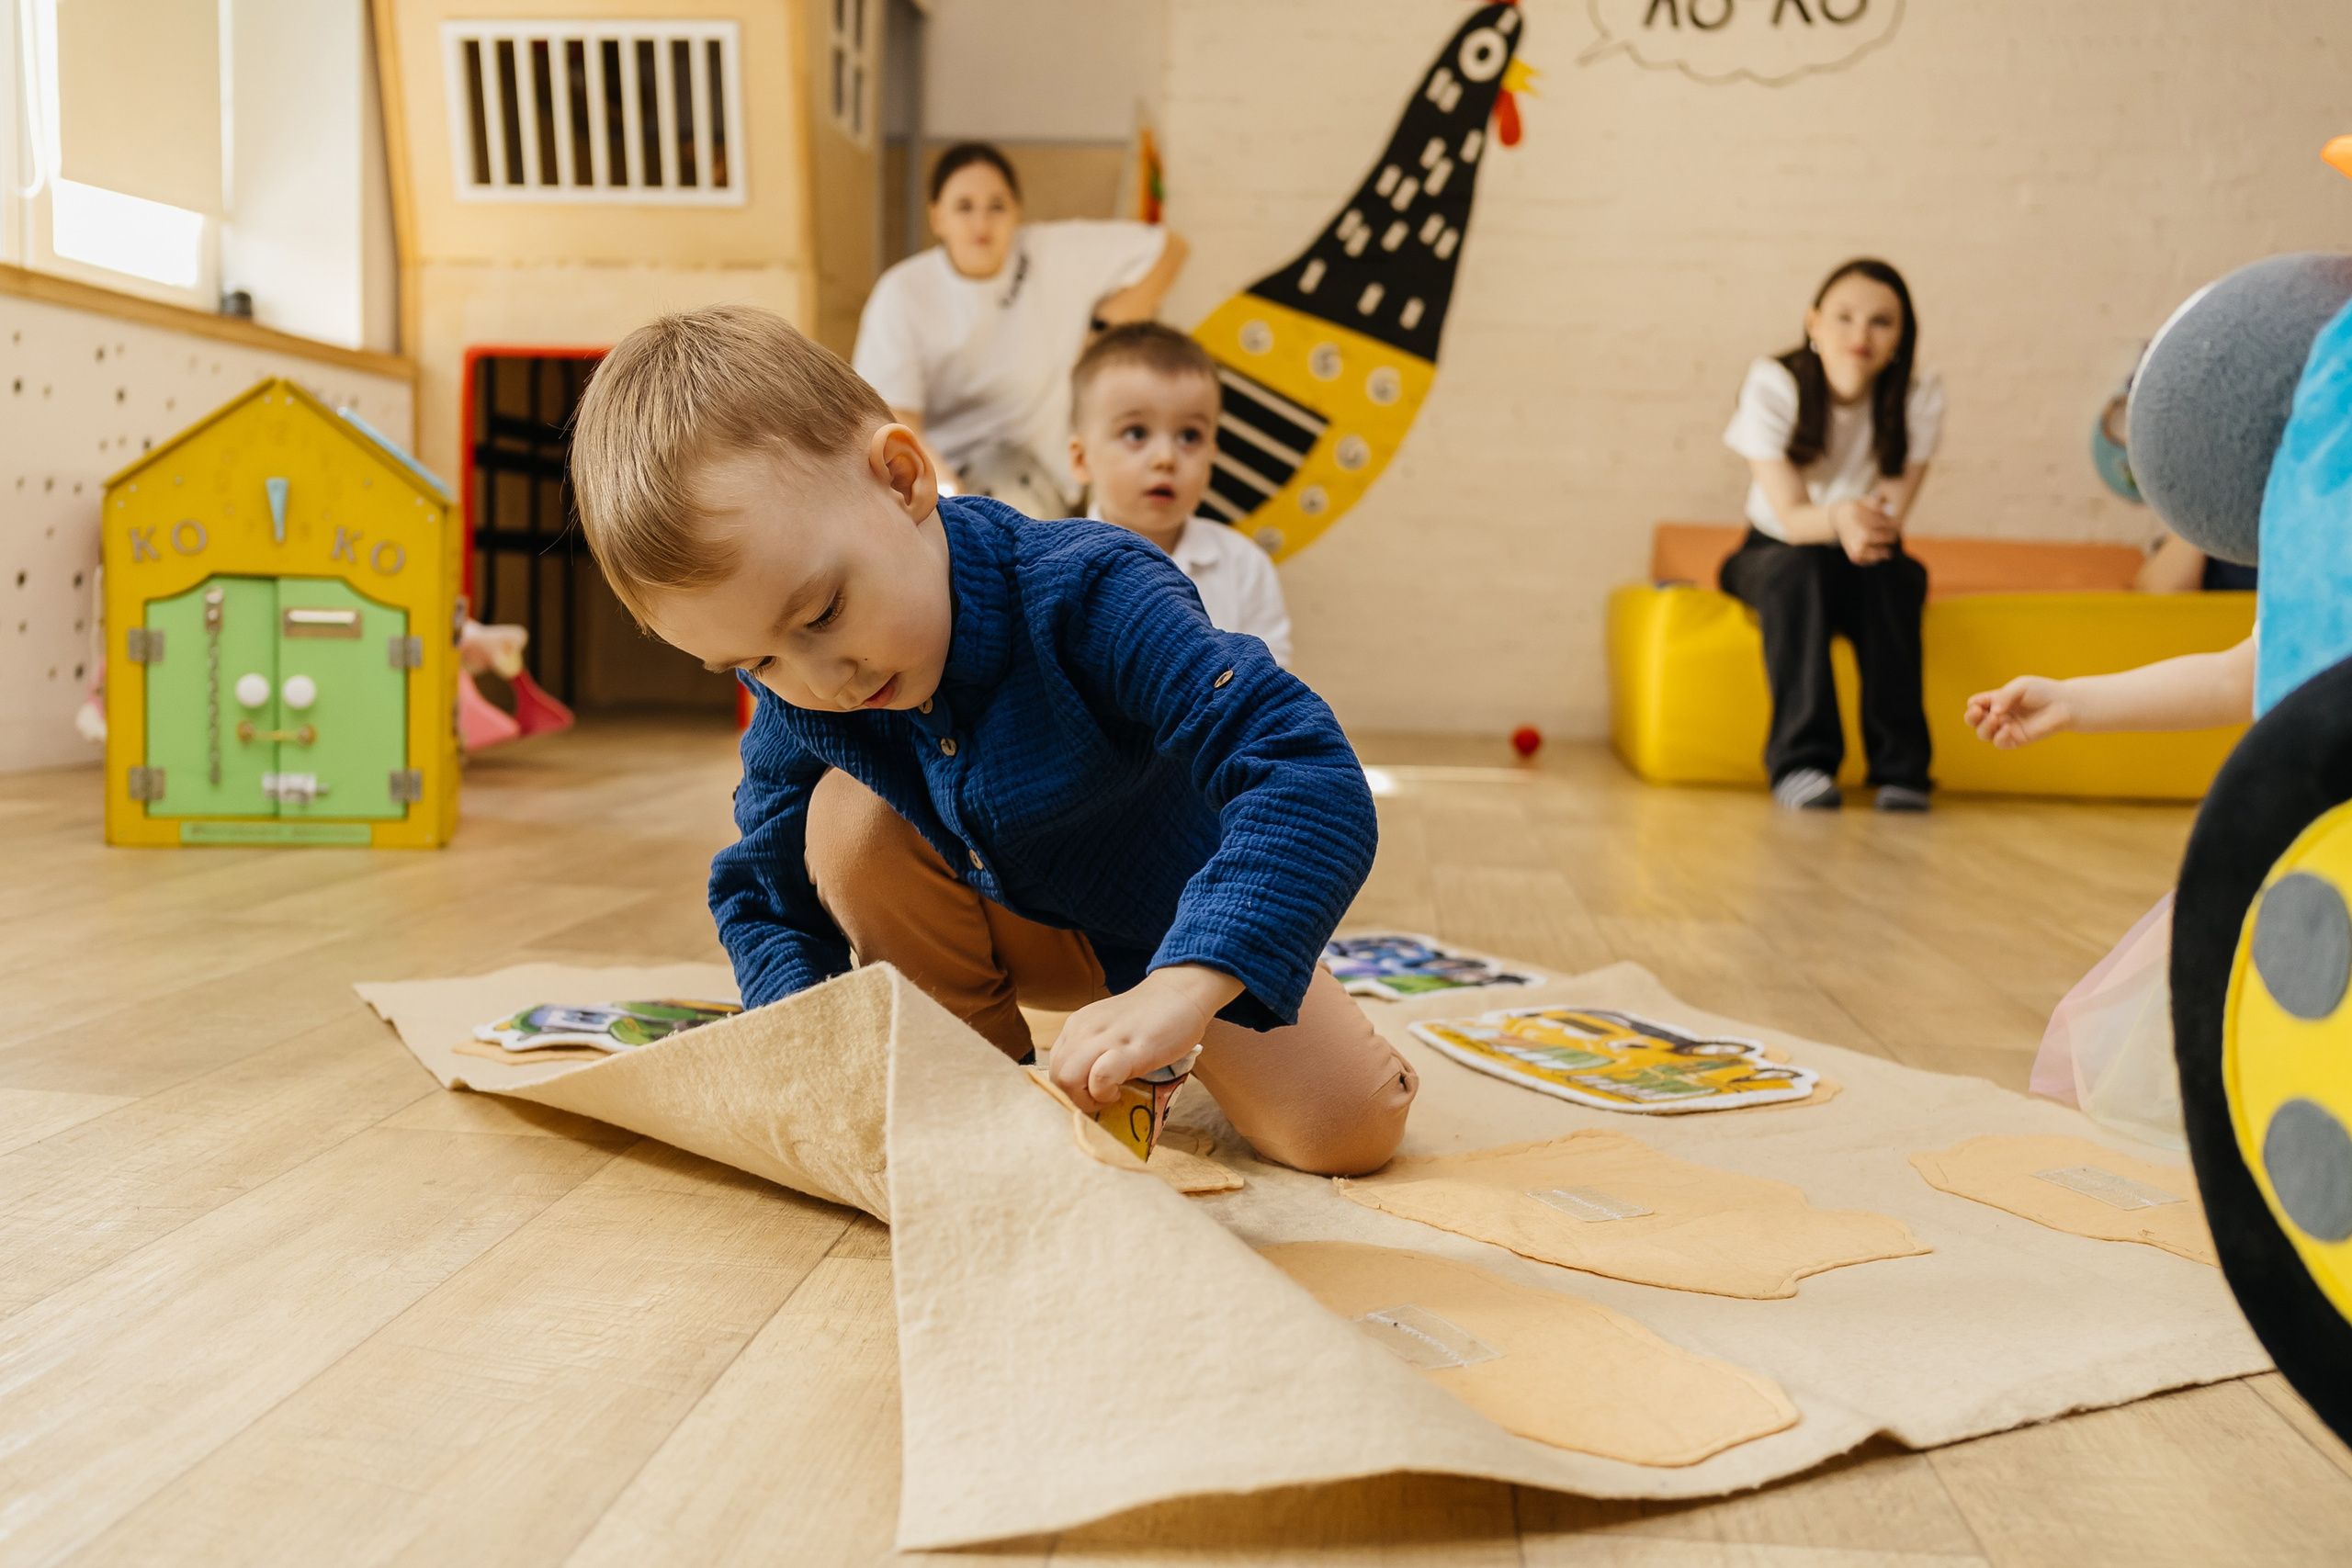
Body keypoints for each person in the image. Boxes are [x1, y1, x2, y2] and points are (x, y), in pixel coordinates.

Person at [566, 304, 1416, 1176]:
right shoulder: (798, 684)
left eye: (823, 612)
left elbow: (1307, 772)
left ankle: (1208, 996)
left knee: (1347, 1132)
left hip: (1170, 920)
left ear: (903, 478)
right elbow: (763, 885)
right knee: (844, 818)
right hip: (999, 929)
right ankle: (978, 1066)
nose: (820, 680)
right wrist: (808, 1040)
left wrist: (1186, 983)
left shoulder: (1090, 588)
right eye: (753, 660)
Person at [853, 142, 1190, 518]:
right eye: (964, 207)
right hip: (941, 478)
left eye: (997, 206)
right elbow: (892, 414)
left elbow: (1169, 249)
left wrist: (1099, 334)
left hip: (1037, 483)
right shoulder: (903, 292)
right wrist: (946, 493)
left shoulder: (1051, 252)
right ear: (937, 218)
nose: (982, 223)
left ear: (1017, 213)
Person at [1718, 258, 1946, 812]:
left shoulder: (1918, 398)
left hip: (1861, 549)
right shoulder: (1773, 382)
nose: (1860, 336)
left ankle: (1902, 769)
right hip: (1776, 550)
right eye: (1844, 318)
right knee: (1799, 570)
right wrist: (1841, 516)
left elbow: (1890, 513)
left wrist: (1859, 527)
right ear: (1813, 324)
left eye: (1881, 322)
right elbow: (1792, 516)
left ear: (1902, 336)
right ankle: (1802, 763)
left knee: (1896, 576)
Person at [1067, 323, 1294, 667]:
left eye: (1189, 437)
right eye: (1136, 433)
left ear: (1211, 457)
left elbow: (1271, 680)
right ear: (1082, 459)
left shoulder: (1243, 566)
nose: (1166, 459)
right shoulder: (1063, 567)